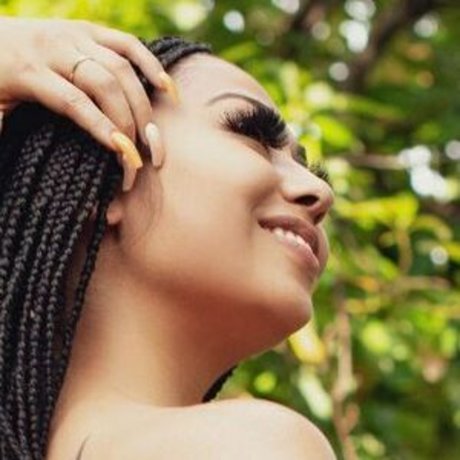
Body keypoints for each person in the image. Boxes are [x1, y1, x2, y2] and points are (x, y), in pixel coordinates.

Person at [0, 18, 336, 460]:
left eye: (311, 169)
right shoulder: (253, 446)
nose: (320, 192)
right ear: (115, 171)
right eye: (252, 135)